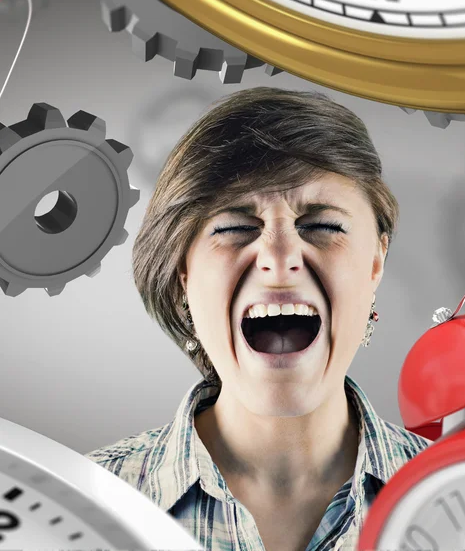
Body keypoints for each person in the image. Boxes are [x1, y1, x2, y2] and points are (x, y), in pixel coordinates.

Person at [85, 87, 431, 551]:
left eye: (323, 226)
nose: (279, 257)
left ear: (376, 262)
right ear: (184, 272)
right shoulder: (81, 502)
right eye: (234, 227)